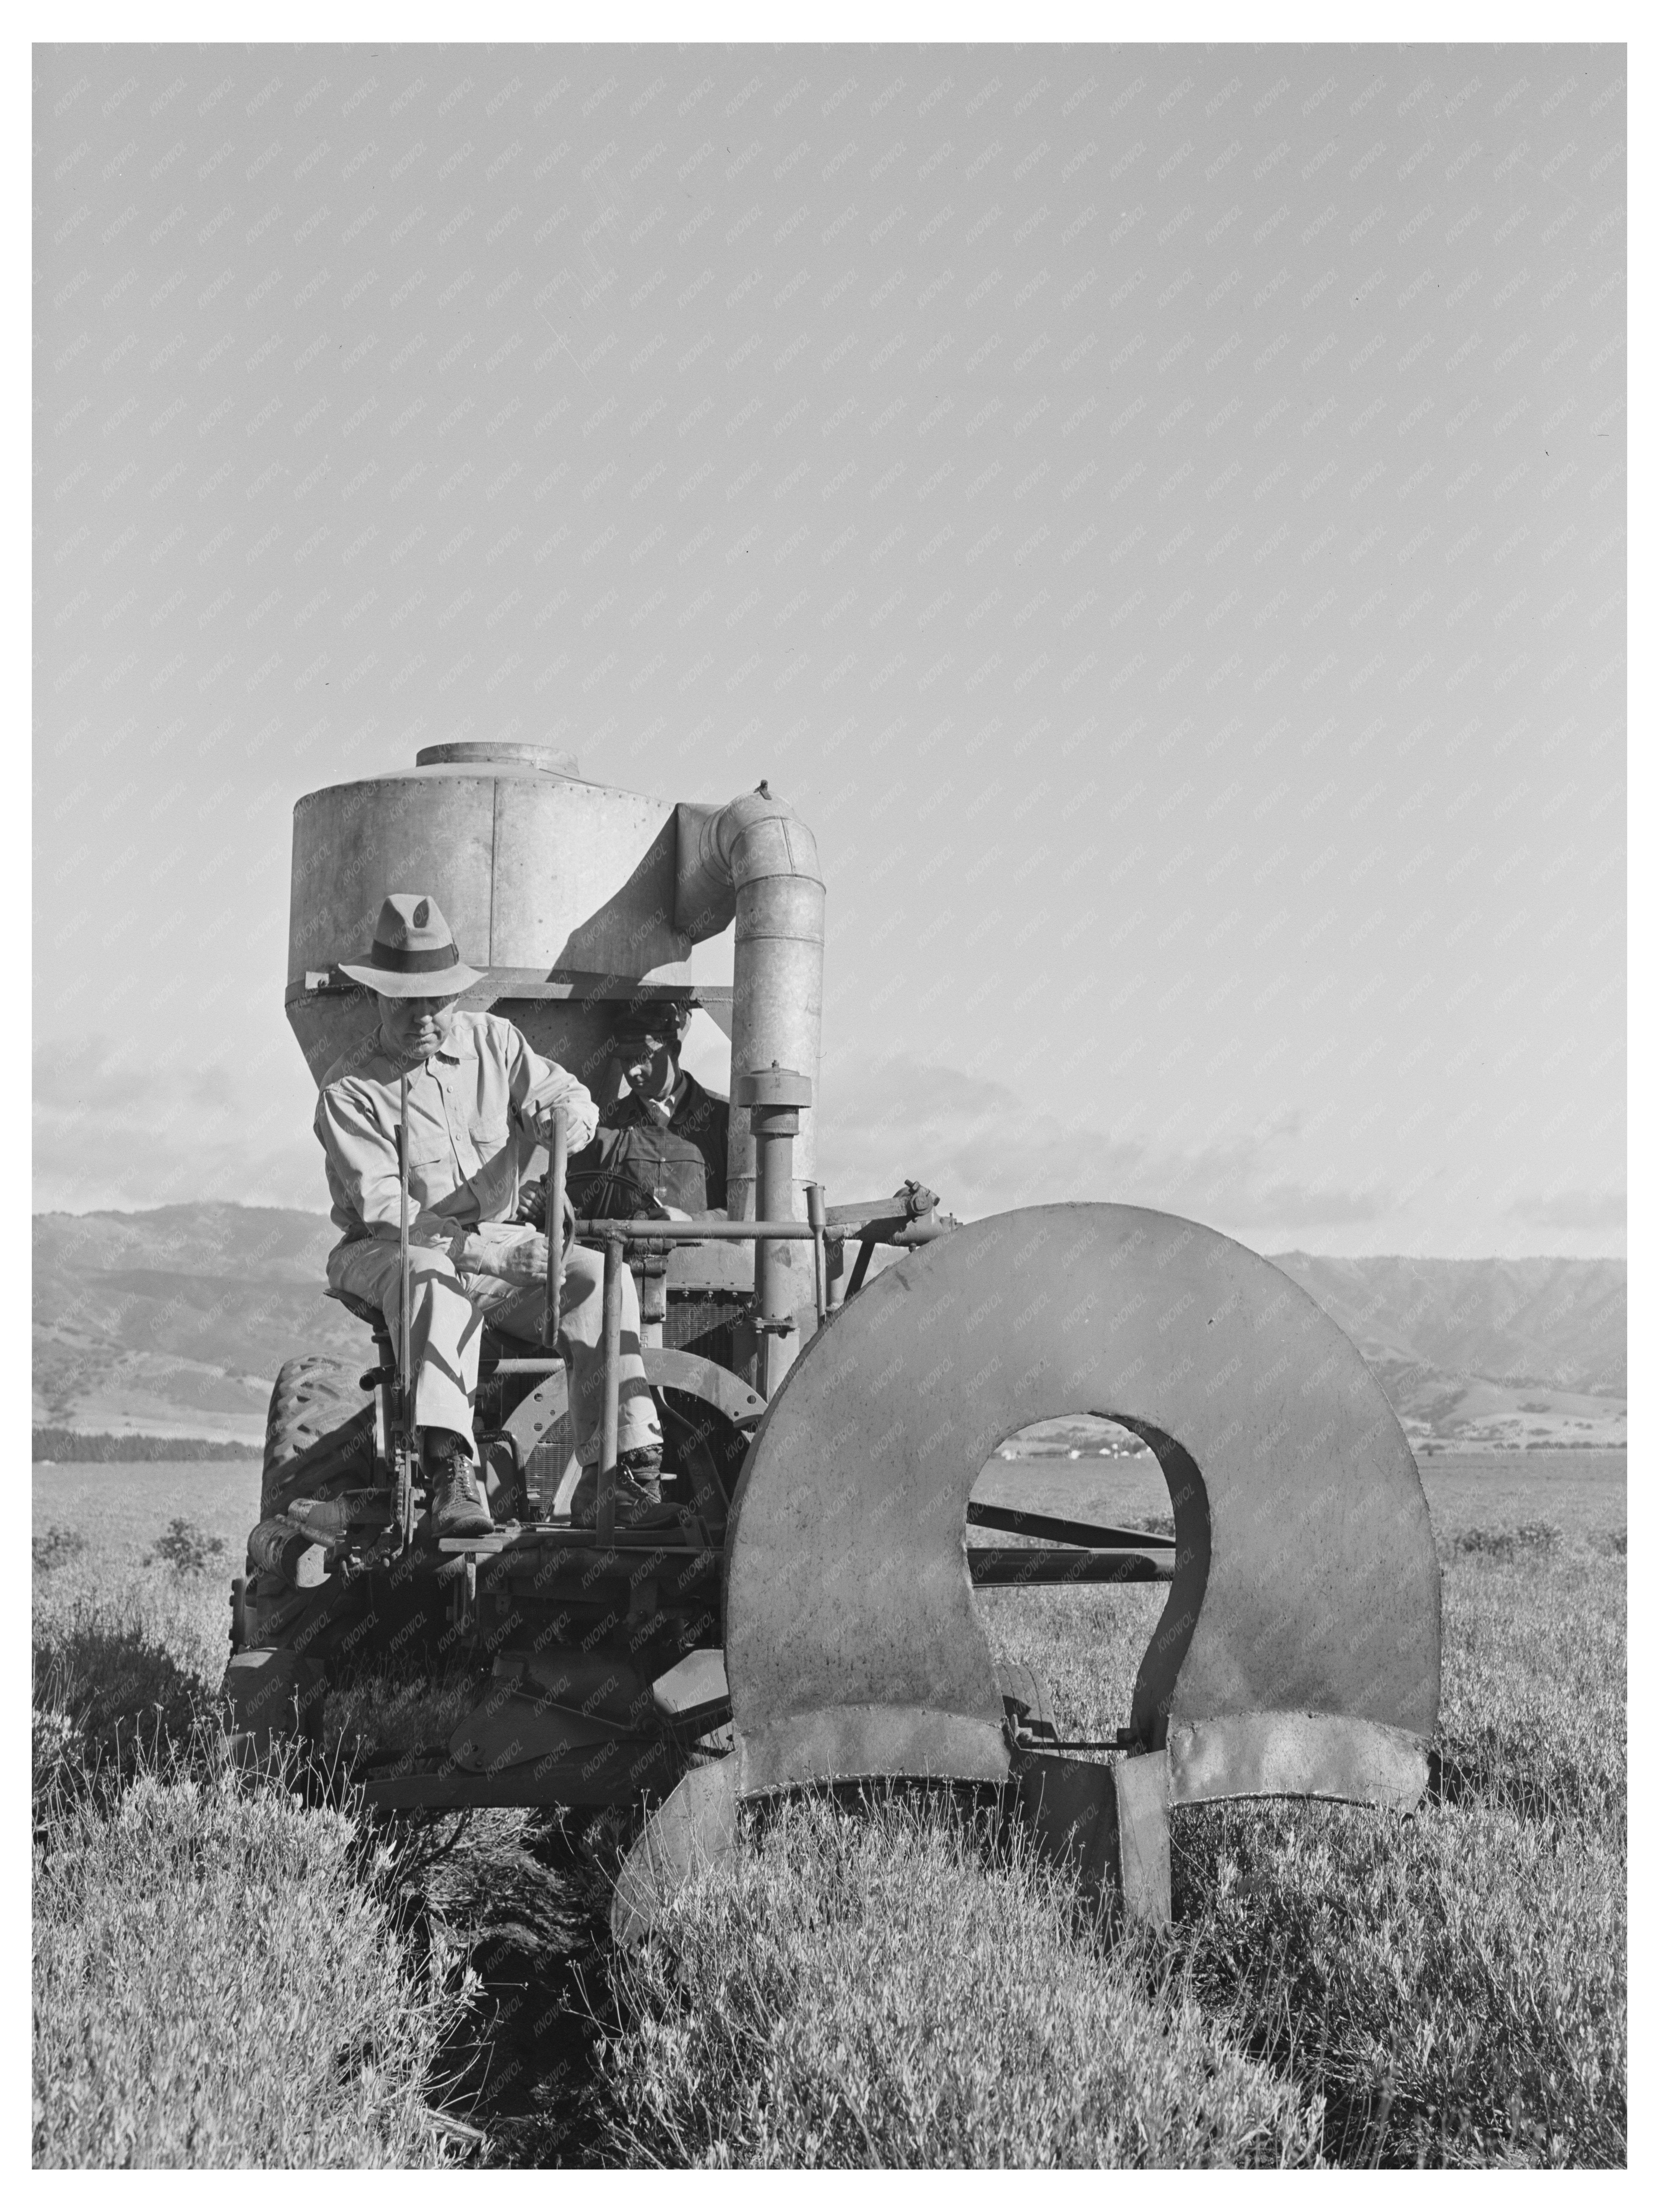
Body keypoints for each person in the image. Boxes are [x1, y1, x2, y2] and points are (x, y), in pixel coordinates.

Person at [316, 892, 674, 1537]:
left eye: (436, 999)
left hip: (496, 1241)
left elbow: (564, 1094)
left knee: (600, 1278)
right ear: (376, 996)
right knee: (429, 1273)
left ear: (456, 996)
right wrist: (493, 1253)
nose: (423, 1016)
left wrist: (566, 1117)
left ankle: (620, 1476)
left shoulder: (497, 1041)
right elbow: (385, 1209)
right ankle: (450, 1470)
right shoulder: (350, 1092)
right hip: (386, 1247)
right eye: (405, 1000)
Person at [568, 999, 731, 1221]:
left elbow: (747, 1214)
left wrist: (694, 1223)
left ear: (674, 1051)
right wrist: (539, 1200)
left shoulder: (724, 1121)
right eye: (626, 1060)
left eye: (643, 1058)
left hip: (703, 1256)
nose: (633, 1071)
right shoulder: (603, 1126)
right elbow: (571, 1205)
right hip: (619, 1256)